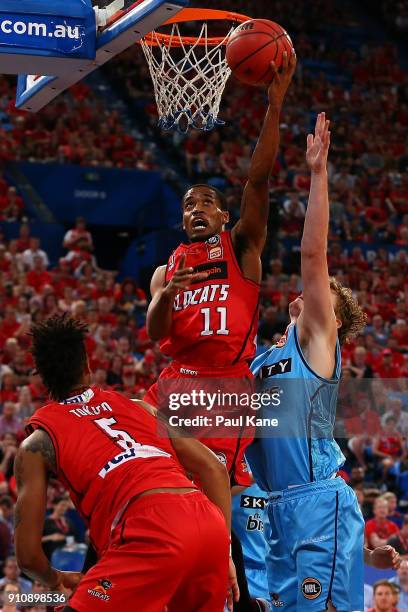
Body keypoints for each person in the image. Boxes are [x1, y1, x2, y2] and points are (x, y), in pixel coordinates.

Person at [144, 53, 296, 487]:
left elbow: (259, 181)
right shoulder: (166, 269)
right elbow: (156, 334)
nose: (197, 209)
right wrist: (167, 294)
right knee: (145, 479)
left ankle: (224, 556)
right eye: (189, 204)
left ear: (224, 216)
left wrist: (275, 106)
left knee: (212, 499)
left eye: (207, 202)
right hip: (176, 383)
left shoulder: (241, 247)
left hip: (224, 386)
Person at [13, 315, 236, 611]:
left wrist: (54, 580)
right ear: (88, 366)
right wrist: (224, 553)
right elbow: (214, 469)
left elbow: (28, 557)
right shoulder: (140, 406)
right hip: (207, 524)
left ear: (41, 377)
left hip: (149, 528)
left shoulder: (36, 445)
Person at [246, 114, 368, 611]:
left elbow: (313, 260)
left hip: (318, 502)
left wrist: (318, 176)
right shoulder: (264, 356)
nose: (312, 297)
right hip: (273, 507)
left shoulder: (317, 343)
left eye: (324, 301)